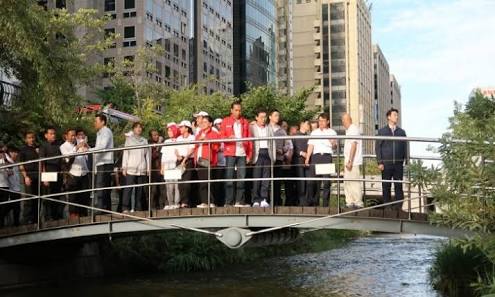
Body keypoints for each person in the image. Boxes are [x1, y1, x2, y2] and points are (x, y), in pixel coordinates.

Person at [220, 101, 253, 207]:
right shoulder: (226, 121)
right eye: (236, 110)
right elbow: (221, 137)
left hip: (242, 153)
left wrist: (249, 154)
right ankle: (228, 201)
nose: (238, 112)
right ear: (231, 110)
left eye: (239, 110)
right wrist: (228, 138)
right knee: (229, 178)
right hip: (230, 152)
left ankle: (240, 201)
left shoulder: (245, 122)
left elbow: (249, 139)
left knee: (241, 178)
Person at [376, 108, 407, 210]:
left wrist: (406, 160)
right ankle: (387, 207)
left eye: (397, 115)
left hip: (398, 164)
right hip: (386, 164)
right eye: (394, 115)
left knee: (399, 187)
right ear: (389, 117)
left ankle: (398, 208)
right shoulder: (382, 131)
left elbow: (405, 147)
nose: (396, 117)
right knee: (386, 186)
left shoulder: (402, 132)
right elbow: (378, 147)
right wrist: (380, 162)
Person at [305, 113, 337, 207]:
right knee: (313, 182)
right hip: (316, 157)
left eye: (323, 121)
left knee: (326, 182)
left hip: (326, 157)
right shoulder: (314, 132)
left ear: (328, 121)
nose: (321, 123)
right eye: (320, 121)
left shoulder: (332, 132)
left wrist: (331, 141)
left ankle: (325, 204)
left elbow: (335, 146)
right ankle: (314, 202)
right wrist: (307, 158)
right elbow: (311, 146)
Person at [60, 128, 90, 219]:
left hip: (84, 172)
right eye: (71, 135)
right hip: (73, 173)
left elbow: (86, 154)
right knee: (73, 196)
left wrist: (85, 146)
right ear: (66, 136)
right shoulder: (63, 146)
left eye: (74, 135)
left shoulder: (79, 142)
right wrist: (76, 148)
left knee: (84, 195)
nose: (73, 137)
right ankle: (73, 215)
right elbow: (67, 157)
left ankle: (84, 214)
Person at [122, 122, 149, 213]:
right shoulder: (129, 140)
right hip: (131, 167)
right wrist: (124, 167)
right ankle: (125, 207)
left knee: (140, 189)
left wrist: (148, 168)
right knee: (128, 188)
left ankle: (138, 208)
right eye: (137, 127)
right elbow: (126, 153)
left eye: (140, 127)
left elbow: (147, 155)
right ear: (133, 129)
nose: (139, 129)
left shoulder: (144, 140)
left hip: (141, 168)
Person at [249, 109, 273, 208]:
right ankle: (255, 199)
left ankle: (264, 199)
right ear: (256, 117)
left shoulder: (269, 128)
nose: (264, 119)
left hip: (267, 152)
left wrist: (273, 157)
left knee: (266, 178)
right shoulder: (252, 127)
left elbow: (273, 143)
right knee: (257, 178)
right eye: (261, 117)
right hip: (257, 153)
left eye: (265, 117)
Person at [194, 116, 220, 208]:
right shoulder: (199, 133)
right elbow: (195, 145)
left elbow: (217, 147)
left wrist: (207, 140)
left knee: (209, 181)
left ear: (210, 124)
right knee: (202, 182)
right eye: (202, 122)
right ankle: (204, 201)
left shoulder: (213, 133)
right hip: (199, 160)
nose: (202, 124)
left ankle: (211, 201)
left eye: (205, 122)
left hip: (208, 159)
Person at [91, 114, 114, 212]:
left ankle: (101, 209)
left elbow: (103, 146)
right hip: (101, 162)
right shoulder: (99, 133)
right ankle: (106, 209)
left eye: (96, 121)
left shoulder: (106, 131)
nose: (94, 123)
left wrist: (89, 149)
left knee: (101, 186)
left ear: (103, 122)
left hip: (105, 162)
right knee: (103, 186)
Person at [39, 127, 63, 221]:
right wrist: (44, 177)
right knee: (48, 196)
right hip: (48, 171)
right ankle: (47, 217)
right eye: (51, 133)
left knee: (57, 195)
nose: (53, 135)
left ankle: (56, 216)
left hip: (58, 171)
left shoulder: (58, 145)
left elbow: (62, 159)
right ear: (46, 135)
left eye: (54, 133)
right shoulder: (43, 146)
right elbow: (41, 162)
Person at [268, 110, 292, 206]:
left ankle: (276, 202)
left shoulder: (282, 131)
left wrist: (282, 150)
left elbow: (288, 145)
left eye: (278, 115)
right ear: (270, 117)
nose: (277, 117)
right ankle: (265, 201)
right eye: (275, 115)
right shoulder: (266, 128)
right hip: (267, 158)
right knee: (266, 182)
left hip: (278, 159)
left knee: (276, 181)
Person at [342, 114, 363, 208]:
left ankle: (357, 202)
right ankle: (350, 202)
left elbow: (353, 145)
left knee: (354, 182)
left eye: (343, 120)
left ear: (348, 120)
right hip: (348, 160)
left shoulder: (353, 129)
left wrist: (350, 161)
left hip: (352, 161)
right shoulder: (349, 130)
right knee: (348, 182)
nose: (343, 123)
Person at [18, 131, 39, 224]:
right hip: (29, 176)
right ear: (26, 139)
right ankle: (26, 220)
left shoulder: (37, 148)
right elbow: (21, 165)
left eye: (33, 137)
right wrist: (25, 176)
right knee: (29, 199)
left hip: (37, 176)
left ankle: (36, 220)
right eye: (29, 138)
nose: (32, 139)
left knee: (37, 198)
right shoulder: (23, 150)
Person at [176, 120, 196, 208]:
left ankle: (186, 201)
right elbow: (175, 149)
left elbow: (191, 150)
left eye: (181, 127)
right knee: (180, 183)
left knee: (187, 182)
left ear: (187, 128)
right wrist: (177, 156)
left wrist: (184, 161)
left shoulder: (192, 137)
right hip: (179, 160)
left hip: (188, 161)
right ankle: (181, 201)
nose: (180, 129)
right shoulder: (178, 138)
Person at [161, 123, 181, 209]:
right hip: (167, 166)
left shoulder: (179, 140)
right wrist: (162, 167)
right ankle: (170, 203)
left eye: (170, 130)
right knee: (168, 186)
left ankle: (176, 203)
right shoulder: (166, 141)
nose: (169, 132)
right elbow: (163, 156)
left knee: (176, 186)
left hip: (175, 165)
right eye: (168, 131)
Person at [292, 120, 311, 206]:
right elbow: (293, 149)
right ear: (302, 124)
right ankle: (300, 201)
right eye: (307, 124)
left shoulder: (309, 136)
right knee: (300, 182)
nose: (309, 126)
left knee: (308, 181)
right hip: (298, 161)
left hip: (307, 161)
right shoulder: (295, 136)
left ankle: (306, 201)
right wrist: (302, 153)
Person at [6, 146, 21, 226]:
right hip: (10, 189)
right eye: (15, 153)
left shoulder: (15, 163)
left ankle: (16, 223)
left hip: (16, 188)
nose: (17, 154)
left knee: (17, 207)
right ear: (11, 153)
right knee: (11, 206)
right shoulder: (7, 163)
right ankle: (15, 223)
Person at [149, 129, 163, 210]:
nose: (156, 136)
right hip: (153, 169)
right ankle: (152, 206)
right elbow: (152, 156)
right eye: (154, 135)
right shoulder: (149, 144)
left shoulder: (162, 143)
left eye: (157, 135)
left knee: (162, 189)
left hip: (160, 169)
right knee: (153, 190)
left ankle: (161, 206)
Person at [213, 118, 226, 206]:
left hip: (226, 162)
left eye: (221, 123)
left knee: (226, 183)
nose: (220, 125)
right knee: (217, 184)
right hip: (217, 163)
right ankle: (217, 202)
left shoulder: (225, 133)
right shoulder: (214, 134)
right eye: (218, 124)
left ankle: (225, 201)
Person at [0, 146, 9, 227]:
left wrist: (5, 158)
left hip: (5, 186)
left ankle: (2, 224)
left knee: (4, 206)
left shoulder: (5, 158)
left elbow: (11, 169)